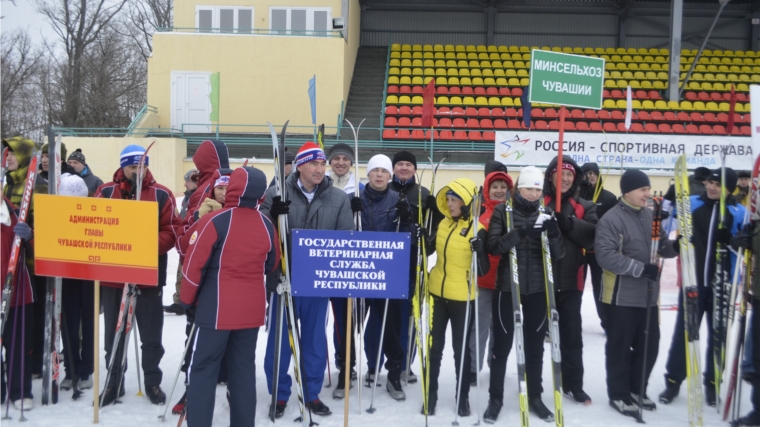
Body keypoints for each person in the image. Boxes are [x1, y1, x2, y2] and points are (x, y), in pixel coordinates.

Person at [180, 166, 280, 427]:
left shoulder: (215, 220)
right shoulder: (267, 224)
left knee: (203, 369)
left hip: (216, 309)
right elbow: (272, 264)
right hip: (251, 311)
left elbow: (193, 267)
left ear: (233, 187)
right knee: (243, 371)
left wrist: (187, 300)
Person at [261, 141, 354, 418]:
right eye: (314, 163)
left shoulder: (337, 198)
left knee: (314, 341)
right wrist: (270, 215)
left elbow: (345, 238)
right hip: (284, 280)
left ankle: (311, 393)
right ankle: (279, 394)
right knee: (280, 341)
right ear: (300, 165)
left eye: (322, 163)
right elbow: (260, 233)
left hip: (317, 282)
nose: (320, 168)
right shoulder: (276, 193)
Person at [95, 144, 180, 405]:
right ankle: (113, 381)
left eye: (142, 165)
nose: (138, 171)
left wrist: (144, 246)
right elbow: (94, 224)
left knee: (151, 336)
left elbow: (172, 230)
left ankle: (152, 381)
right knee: (114, 335)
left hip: (147, 275)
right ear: (123, 166)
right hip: (114, 276)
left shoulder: (162, 194)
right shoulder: (106, 192)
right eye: (133, 166)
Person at [595, 169, 678, 417]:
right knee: (619, 348)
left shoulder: (650, 215)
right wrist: (641, 269)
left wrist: (674, 246)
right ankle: (619, 395)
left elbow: (660, 246)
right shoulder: (611, 220)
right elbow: (606, 256)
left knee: (649, 347)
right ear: (628, 191)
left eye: (648, 189)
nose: (647, 194)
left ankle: (636, 389)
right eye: (643, 189)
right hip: (620, 297)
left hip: (648, 297)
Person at [659, 167, 745, 407]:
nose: (712, 187)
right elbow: (664, 220)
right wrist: (669, 197)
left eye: (718, 184)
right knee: (684, 334)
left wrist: (730, 240)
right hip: (693, 280)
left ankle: (712, 383)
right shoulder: (691, 204)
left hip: (722, 283)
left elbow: (746, 246)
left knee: (718, 337)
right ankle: (673, 381)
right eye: (710, 182)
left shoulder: (738, 212)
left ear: (729, 189)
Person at [484, 166, 564, 423]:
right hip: (508, 288)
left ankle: (535, 398)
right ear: (518, 188)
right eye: (530, 188)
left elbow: (559, 254)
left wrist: (553, 234)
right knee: (503, 346)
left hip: (539, 290)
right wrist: (520, 234)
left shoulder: (548, 212)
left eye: (538, 189)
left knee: (534, 348)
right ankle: (495, 399)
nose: (534, 193)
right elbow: (494, 247)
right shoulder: (501, 210)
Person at [334, 155, 410, 401]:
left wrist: (406, 219)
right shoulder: (352, 199)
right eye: (375, 170)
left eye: (384, 171)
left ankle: (394, 373)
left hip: (386, 275)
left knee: (390, 326)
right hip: (357, 273)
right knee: (349, 325)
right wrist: (349, 214)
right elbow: (339, 233)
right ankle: (346, 370)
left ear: (390, 175)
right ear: (369, 173)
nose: (379, 175)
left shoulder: (399, 200)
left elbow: (407, 240)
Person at [424, 177, 489, 416]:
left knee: (461, 350)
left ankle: (462, 398)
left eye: (455, 200)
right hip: (437, 294)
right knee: (434, 348)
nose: (450, 204)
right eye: (448, 199)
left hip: (463, 297)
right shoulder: (443, 224)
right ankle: (430, 396)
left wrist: (479, 250)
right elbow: (428, 250)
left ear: (468, 202)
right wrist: (422, 235)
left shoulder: (478, 230)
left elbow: (482, 270)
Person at [542, 155, 598, 404]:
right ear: (550, 176)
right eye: (559, 173)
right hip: (539, 280)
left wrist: (569, 224)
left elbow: (593, 236)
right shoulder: (538, 200)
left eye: (569, 175)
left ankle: (573, 384)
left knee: (571, 336)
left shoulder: (585, 206)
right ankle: (532, 386)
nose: (564, 179)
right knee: (534, 337)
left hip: (571, 281)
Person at [2, 136, 46, 378]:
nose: (8, 158)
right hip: (9, 262)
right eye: (6, 154)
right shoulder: (7, 183)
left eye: (13, 154)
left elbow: (43, 222)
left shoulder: (37, 184)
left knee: (33, 319)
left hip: (30, 263)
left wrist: (31, 234)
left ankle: (32, 364)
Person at [469, 170, 513, 385]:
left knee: (500, 327)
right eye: (494, 186)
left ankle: (495, 365)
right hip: (482, 281)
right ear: (487, 189)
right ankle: (472, 368)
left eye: (503, 187)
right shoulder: (478, 212)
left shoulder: (513, 213)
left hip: (505, 282)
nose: (498, 190)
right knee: (479, 327)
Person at [324, 142, 363, 378]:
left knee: (343, 317)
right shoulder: (320, 184)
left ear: (351, 163)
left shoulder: (359, 189)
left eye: (345, 159)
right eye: (336, 158)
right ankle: (315, 364)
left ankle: (346, 363)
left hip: (345, 261)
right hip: (321, 257)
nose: (340, 162)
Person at [58, 173, 96, 391]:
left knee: (88, 321)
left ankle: (87, 369)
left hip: (90, 273)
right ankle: (71, 369)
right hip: (67, 273)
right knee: (69, 323)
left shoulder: (93, 210)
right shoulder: (58, 212)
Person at [0, 196, 35, 410]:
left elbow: (45, 248)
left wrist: (31, 237)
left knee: (19, 345)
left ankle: (20, 390)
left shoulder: (15, 213)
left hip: (17, 291)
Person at [578, 162, 617, 333]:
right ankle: (571, 322)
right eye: (587, 173)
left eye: (594, 173)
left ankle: (608, 323)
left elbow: (617, 224)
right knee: (575, 288)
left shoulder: (608, 198)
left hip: (598, 252)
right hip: (578, 251)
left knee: (601, 289)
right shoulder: (575, 196)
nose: (591, 176)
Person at [732, 192, 760, 426]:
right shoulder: (756, 222)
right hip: (759, 296)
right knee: (758, 355)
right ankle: (758, 410)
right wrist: (743, 240)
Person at [164, 169, 199, 316]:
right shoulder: (188, 198)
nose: (185, 184)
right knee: (180, 272)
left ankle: (184, 301)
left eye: (188, 181)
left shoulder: (200, 197)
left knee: (186, 272)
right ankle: (179, 300)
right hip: (183, 239)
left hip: (191, 241)